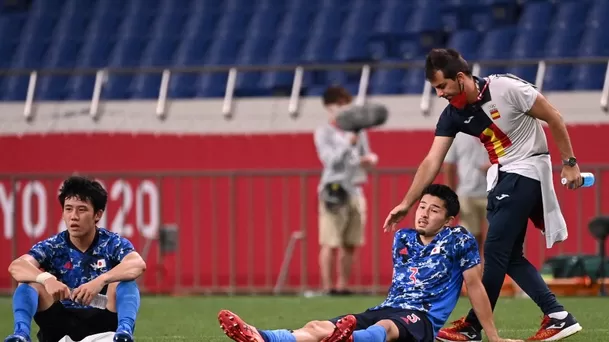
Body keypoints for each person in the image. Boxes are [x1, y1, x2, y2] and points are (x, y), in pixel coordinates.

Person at [383, 48, 583, 341]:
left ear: (461, 78)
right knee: (510, 256)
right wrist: (406, 203)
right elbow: (432, 161)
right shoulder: (452, 114)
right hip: (505, 176)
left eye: (442, 86)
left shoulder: (506, 87)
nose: (440, 94)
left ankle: (473, 326)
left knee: (494, 253)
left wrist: (570, 164)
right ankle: (557, 315)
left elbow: (554, 117)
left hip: (525, 171)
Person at [218, 184, 522, 342]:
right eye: (422, 207)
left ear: (448, 219)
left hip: (421, 319)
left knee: (387, 328)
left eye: (434, 210)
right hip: (386, 308)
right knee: (320, 326)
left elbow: (475, 287)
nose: (424, 214)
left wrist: (492, 335)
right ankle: (263, 336)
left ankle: (348, 339)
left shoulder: (459, 239)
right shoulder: (402, 239)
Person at [4, 176, 146, 342]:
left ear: (97, 215)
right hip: (60, 320)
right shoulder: (53, 246)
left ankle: (124, 334)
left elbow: (137, 264)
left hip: (101, 315)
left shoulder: (111, 242)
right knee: (28, 281)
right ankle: (20, 335)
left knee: (125, 281)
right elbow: (17, 266)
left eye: (82, 210)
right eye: (68, 209)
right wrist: (46, 278)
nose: (74, 216)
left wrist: (100, 281)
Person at [314, 85, 378, 295]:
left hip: (355, 189)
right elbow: (329, 160)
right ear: (329, 107)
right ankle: (327, 286)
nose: (343, 108)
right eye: (339, 104)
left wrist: (369, 160)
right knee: (330, 241)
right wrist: (346, 145)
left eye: (346, 104)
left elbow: (367, 155)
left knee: (351, 242)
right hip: (334, 190)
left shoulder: (358, 130)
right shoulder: (324, 132)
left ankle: (342, 285)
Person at [443, 133, 490, 264]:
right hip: (466, 194)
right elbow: (449, 165)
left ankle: (491, 276)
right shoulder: (458, 135)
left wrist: (495, 165)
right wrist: (450, 195)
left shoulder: (495, 128)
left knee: (496, 238)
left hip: (494, 193)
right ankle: (471, 274)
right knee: (470, 238)